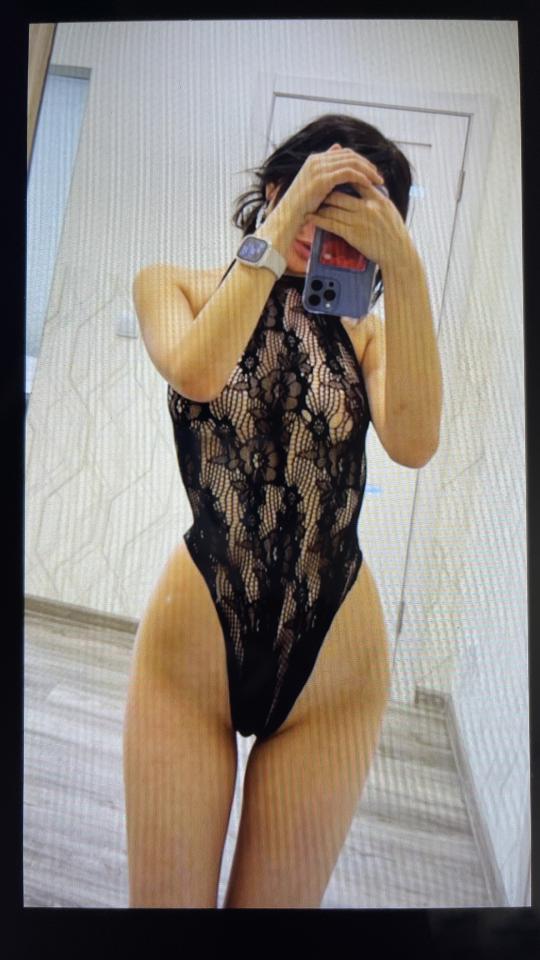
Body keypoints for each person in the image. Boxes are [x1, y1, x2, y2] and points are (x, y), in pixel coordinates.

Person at [123, 114, 443, 908]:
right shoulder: (174, 285)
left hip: (335, 660)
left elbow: (414, 442)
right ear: (274, 188)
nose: (325, 219)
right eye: (315, 195)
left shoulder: (367, 337)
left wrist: (405, 266)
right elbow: (199, 372)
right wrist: (285, 217)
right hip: (195, 643)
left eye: (355, 208)